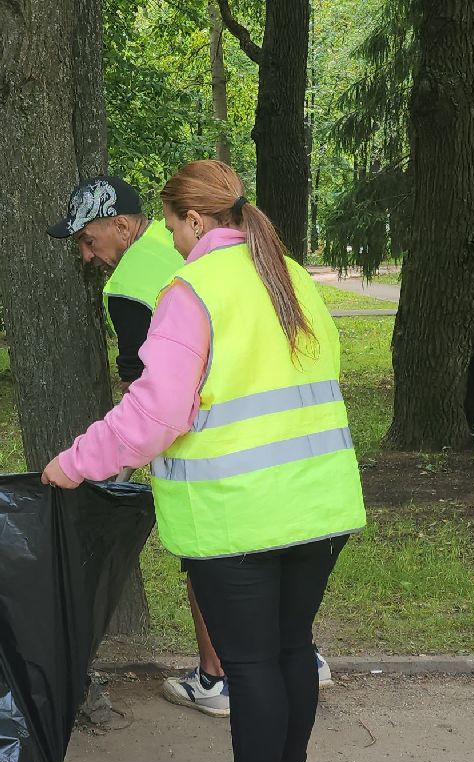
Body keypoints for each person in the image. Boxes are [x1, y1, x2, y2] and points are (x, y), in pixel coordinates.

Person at [41, 160, 366, 762]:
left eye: (171, 225)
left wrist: (73, 464)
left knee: (249, 664)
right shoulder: (289, 276)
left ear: (195, 220)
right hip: (320, 500)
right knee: (289, 648)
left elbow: (154, 414)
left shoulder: (194, 290)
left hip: (238, 510)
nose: (171, 239)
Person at [47, 175, 333, 723]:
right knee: (282, 596)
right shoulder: (264, 262)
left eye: (88, 240)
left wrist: (88, 458)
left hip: (218, 461)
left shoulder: (136, 281)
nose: (87, 256)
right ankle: (299, 672)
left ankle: (215, 676)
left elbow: (148, 398)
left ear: (123, 225)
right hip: (301, 465)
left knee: (210, 568)